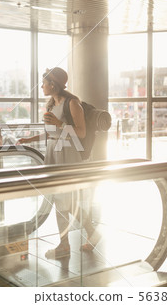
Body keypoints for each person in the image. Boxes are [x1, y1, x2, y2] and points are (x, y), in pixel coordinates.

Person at [17, 67, 100, 259]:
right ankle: (86, 235)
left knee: (65, 201)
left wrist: (58, 123)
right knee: (62, 201)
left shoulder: (73, 103)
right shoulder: (51, 104)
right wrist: (29, 140)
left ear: (53, 84)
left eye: (44, 83)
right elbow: (51, 132)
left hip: (68, 154)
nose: (42, 86)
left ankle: (66, 244)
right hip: (53, 153)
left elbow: (81, 133)